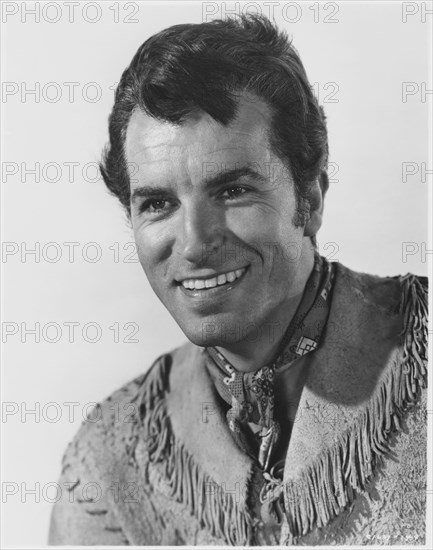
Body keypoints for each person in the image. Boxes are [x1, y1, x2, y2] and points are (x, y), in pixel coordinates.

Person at [48, 14, 428, 546]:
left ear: (311, 198)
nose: (196, 242)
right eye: (158, 204)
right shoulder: (110, 459)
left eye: (232, 191)